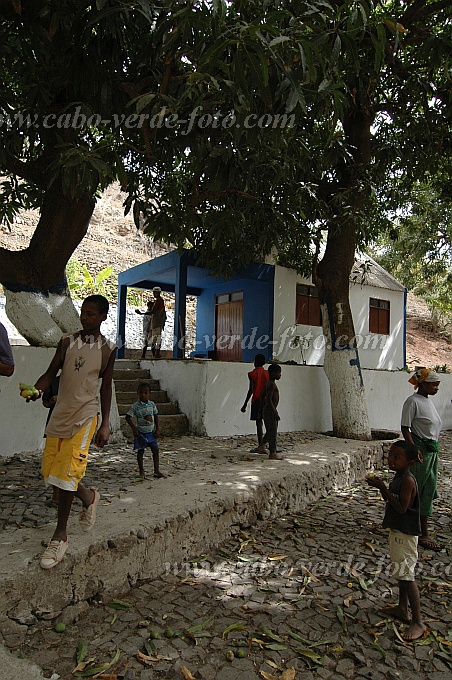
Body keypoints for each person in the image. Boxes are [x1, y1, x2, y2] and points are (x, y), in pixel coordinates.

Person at [24, 294, 116, 569]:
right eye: (83, 313)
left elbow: (106, 387)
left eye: (91, 314)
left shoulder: (108, 349)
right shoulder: (66, 342)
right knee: (49, 471)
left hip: (85, 415)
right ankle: (88, 497)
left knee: (65, 473)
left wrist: (105, 422)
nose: (85, 318)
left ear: (102, 317)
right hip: (60, 413)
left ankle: (60, 535)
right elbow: (51, 373)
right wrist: (37, 389)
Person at [366, 440, 426, 642]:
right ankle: (402, 608)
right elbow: (392, 500)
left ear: (409, 462)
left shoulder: (408, 480)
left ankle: (418, 621)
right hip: (398, 531)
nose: (391, 460)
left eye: (397, 457)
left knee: (407, 576)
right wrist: (382, 488)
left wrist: (382, 488)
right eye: (390, 455)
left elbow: (401, 508)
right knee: (401, 572)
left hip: (406, 534)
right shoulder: (398, 477)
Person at [401, 367, 443, 551]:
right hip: (421, 453)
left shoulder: (427, 402)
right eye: (433, 384)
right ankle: (415, 530)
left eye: (437, 385)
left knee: (428, 490)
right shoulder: (412, 402)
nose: (436, 388)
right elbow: (405, 428)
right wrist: (414, 449)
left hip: (431, 452)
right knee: (414, 491)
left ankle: (420, 529)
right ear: (423, 384)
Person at [125, 382, 165, 479]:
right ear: (137, 393)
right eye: (141, 393)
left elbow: (156, 416)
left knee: (155, 450)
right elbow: (127, 417)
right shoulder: (135, 406)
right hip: (141, 433)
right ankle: (141, 471)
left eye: (145, 393)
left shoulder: (152, 404)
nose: (143, 395)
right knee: (140, 452)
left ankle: (156, 470)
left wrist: (157, 428)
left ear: (149, 394)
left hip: (151, 433)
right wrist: (134, 428)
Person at [241, 353, 269, 454]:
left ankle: (260, 445)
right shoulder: (268, 373)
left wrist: (245, 404)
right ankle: (267, 445)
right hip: (266, 400)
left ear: (255, 362)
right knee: (269, 423)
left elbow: (251, 390)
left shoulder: (252, 374)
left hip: (257, 400)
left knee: (259, 424)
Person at [42, 373, 61, 506]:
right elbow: (45, 402)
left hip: (72, 424)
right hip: (54, 423)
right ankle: (56, 494)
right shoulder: (54, 381)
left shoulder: (78, 380)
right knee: (53, 460)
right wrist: (52, 402)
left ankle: (67, 494)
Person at [135, 287, 166, 359]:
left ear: (158, 293)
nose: (154, 294)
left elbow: (153, 311)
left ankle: (157, 354)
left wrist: (141, 313)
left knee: (156, 338)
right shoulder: (157, 301)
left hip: (157, 323)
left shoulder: (159, 301)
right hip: (154, 323)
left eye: (155, 292)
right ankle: (155, 354)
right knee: (151, 340)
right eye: (153, 292)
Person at [262, 363, 283, 460]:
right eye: (279, 373)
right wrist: (275, 412)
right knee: (273, 431)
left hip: (269, 410)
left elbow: (263, 396)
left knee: (270, 430)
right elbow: (269, 399)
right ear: (273, 373)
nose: (280, 375)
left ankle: (262, 445)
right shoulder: (271, 384)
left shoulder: (270, 383)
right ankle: (272, 452)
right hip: (270, 411)